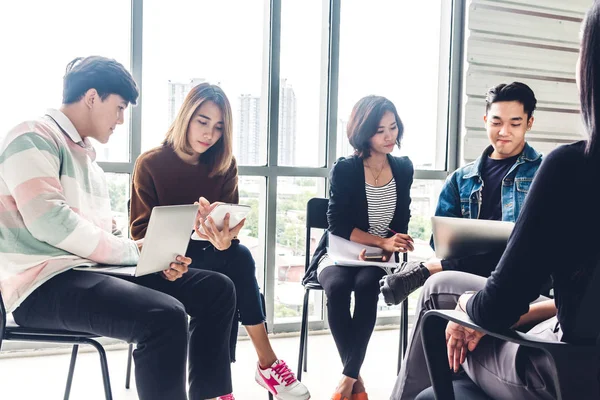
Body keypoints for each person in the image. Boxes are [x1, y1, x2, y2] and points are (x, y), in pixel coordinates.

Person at [394, 2, 600, 398]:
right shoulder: (463, 179)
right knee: (449, 286)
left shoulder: (568, 169)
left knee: (442, 295)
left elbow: (502, 304)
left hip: (565, 371)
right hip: (570, 338)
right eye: (496, 121)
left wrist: (468, 309)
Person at [0, 56, 236, 400]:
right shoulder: (32, 136)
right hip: (40, 286)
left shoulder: (88, 162)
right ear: (92, 97)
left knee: (217, 289)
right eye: (120, 107)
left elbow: (105, 238)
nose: (121, 120)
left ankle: (210, 396)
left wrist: (155, 262)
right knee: (164, 316)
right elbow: (50, 222)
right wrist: (133, 251)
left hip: (90, 273)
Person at [129, 82, 310, 400]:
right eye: (202, 121)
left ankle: (242, 376)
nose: (209, 134)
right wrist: (183, 230)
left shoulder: (224, 165)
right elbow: (139, 233)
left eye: (218, 127)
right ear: (186, 116)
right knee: (227, 281)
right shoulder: (150, 164)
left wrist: (223, 239)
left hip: (205, 254)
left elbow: (231, 231)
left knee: (237, 257)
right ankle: (262, 367)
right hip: (160, 264)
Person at [380, 82, 545, 306]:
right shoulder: (460, 179)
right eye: (496, 122)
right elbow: (440, 245)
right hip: (473, 272)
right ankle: (429, 272)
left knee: (520, 250)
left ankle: (425, 271)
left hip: (525, 273)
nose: (504, 131)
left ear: (529, 123)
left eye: (515, 123)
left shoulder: (545, 172)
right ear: (486, 121)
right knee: (435, 286)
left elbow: (548, 242)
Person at [306, 95, 414, 400]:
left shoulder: (403, 168)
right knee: (337, 289)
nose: (390, 136)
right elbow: (336, 223)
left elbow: (402, 219)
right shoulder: (346, 169)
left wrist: (392, 245)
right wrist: (378, 241)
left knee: (368, 285)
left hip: (378, 258)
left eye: (393, 127)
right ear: (363, 132)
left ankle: (346, 381)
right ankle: (356, 379)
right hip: (340, 251)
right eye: (380, 130)